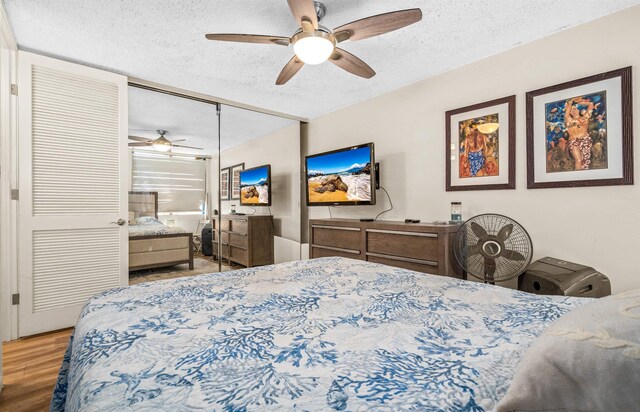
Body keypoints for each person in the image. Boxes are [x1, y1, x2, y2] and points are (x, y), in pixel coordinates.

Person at [564, 97, 597, 170]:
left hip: (585, 140)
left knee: (584, 163)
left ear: (579, 109)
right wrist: (571, 102)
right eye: (571, 110)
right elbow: (568, 107)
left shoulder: (585, 117)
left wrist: (578, 102)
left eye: (575, 109)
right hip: (573, 141)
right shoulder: (569, 120)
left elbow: (591, 104)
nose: (573, 111)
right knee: (578, 160)